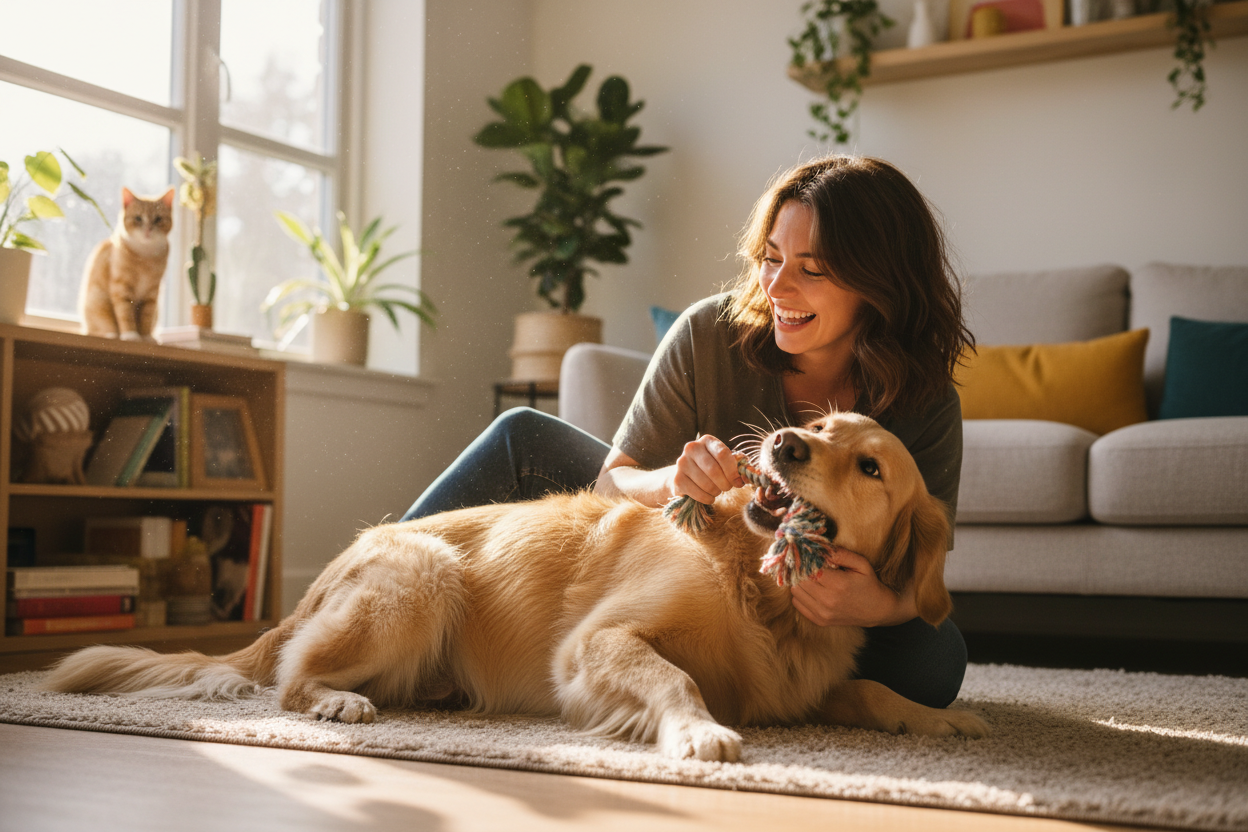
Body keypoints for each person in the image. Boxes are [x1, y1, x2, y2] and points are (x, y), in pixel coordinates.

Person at [401, 154, 975, 709]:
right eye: (771, 258)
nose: (777, 287)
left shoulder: (926, 403)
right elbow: (612, 487)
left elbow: (921, 575)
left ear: (881, 287)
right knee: (520, 435)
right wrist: (670, 480)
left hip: (807, 602)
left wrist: (875, 606)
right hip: (675, 560)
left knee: (934, 664)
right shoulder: (708, 331)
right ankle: (380, 599)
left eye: (813, 269)